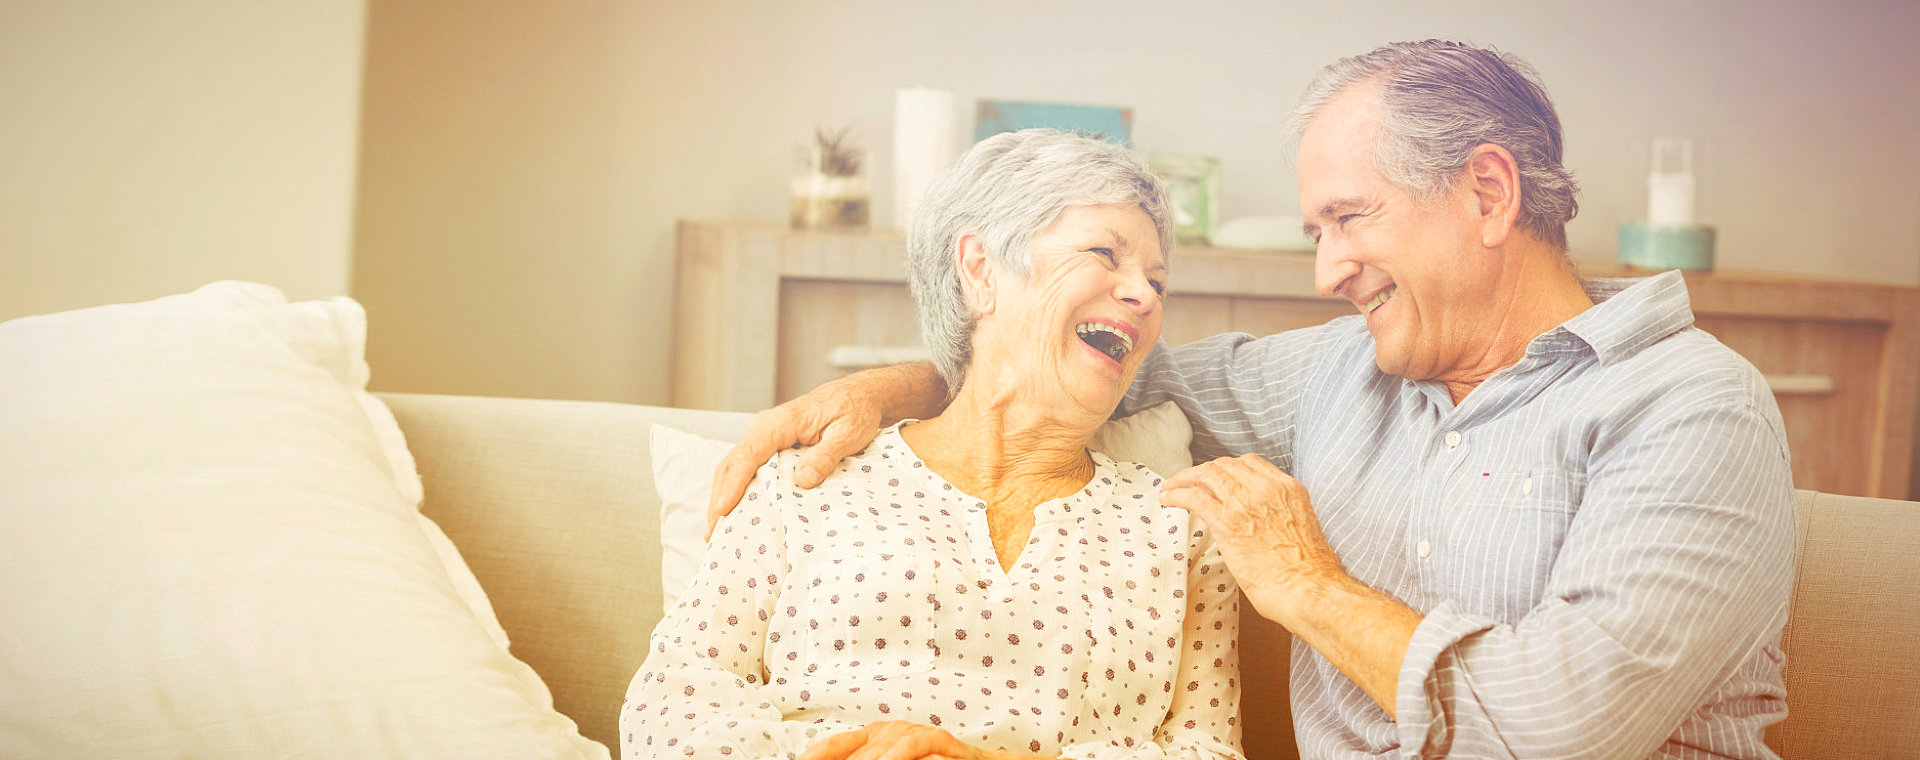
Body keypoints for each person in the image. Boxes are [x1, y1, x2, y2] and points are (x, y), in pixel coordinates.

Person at [706, 40, 1797, 759]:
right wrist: (898, 380)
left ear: (1488, 192)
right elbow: (1080, 364)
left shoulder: (1692, 409)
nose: (1326, 270)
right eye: (1318, 230)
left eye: (1348, 218)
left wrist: (1311, 585)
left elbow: (1562, 729)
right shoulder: (1340, 371)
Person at [623, 129, 1245, 760]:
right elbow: (669, 705)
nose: (1143, 295)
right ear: (980, 270)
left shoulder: (1179, 530)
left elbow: (1209, 751)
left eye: (1158, 283)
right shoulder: (806, 481)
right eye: (1105, 254)